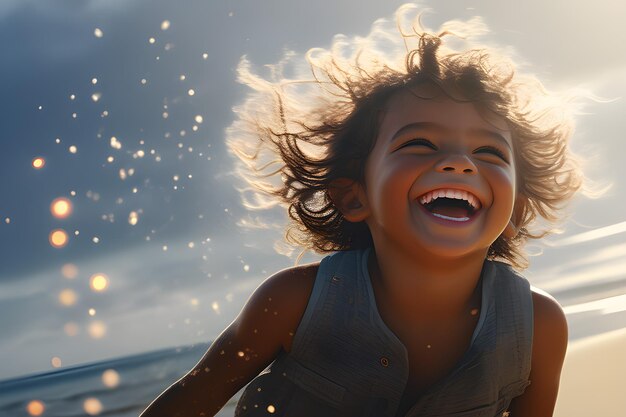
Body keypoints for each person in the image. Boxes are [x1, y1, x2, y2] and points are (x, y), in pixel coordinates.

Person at [140, 4, 585, 416]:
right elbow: (189, 402)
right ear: (355, 197)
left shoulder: (537, 328)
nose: (459, 162)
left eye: (489, 152)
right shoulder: (294, 303)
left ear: (516, 210)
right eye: (419, 143)